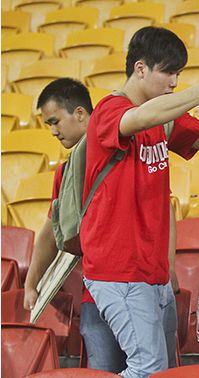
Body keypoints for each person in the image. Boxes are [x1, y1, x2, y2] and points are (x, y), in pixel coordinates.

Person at [79, 26, 199, 377]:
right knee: (148, 368)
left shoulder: (163, 119)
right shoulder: (110, 110)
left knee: (163, 369)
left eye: (178, 74)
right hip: (119, 271)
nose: (174, 82)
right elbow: (136, 119)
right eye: (169, 72)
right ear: (140, 69)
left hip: (153, 275)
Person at [23, 78, 180, 372]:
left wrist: (167, 265)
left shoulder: (135, 142)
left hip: (143, 283)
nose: (53, 131)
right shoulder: (68, 171)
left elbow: (163, 207)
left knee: (155, 369)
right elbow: (51, 232)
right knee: (112, 370)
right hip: (98, 294)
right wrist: (32, 283)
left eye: (55, 121)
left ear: (81, 114)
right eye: (47, 124)